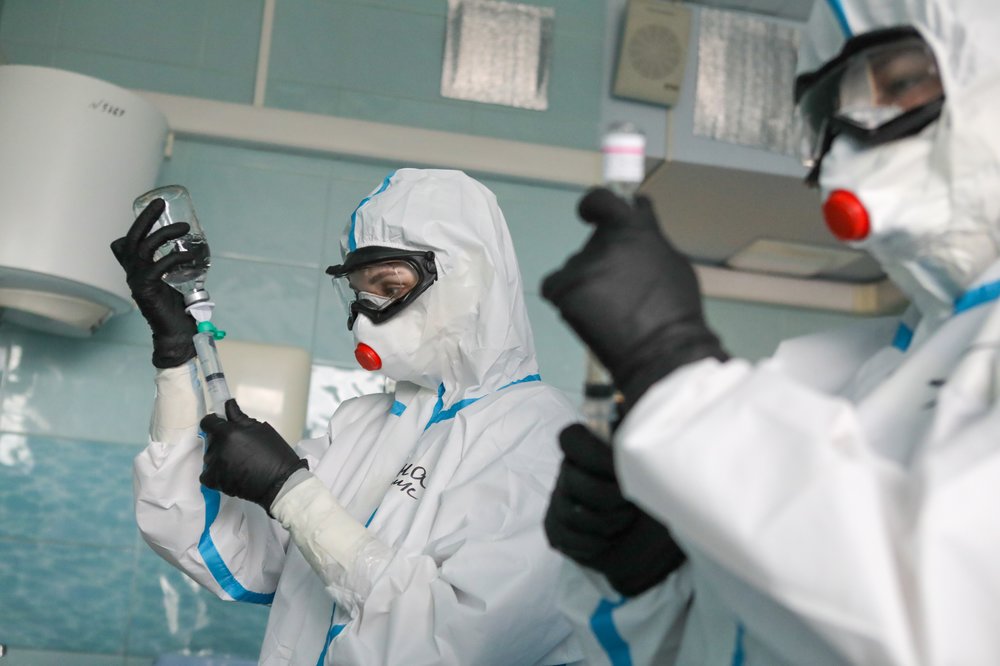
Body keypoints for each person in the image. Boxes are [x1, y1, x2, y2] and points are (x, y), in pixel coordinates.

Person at [542, 0, 1000, 664]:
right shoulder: (844, 374)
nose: (842, 155)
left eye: (900, 83)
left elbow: (953, 632)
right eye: (826, 116)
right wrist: (649, 576)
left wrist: (676, 373)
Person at [112, 168, 583, 665]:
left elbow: (448, 645)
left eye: (389, 285)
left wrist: (291, 494)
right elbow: (215, 544)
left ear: (468, 278)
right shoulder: (364, 423)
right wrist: (177, 356)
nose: (364, 318)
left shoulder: (543, 438)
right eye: (359, 292)